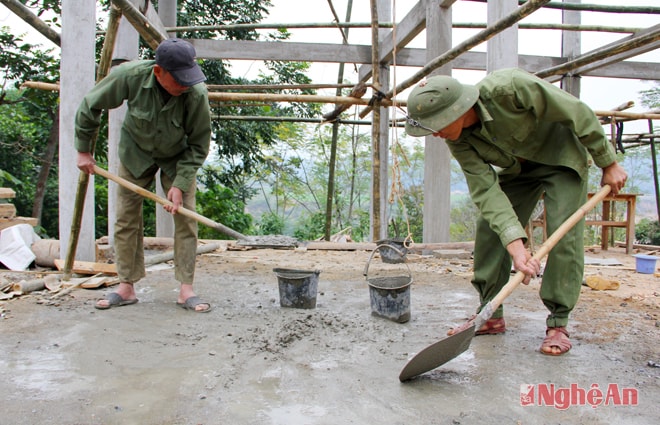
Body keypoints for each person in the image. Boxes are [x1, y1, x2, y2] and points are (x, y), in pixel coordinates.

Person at [405, 68, 628, 355]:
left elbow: (577, 112)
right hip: (518, 169)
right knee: (490, 228)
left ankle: (558, 323)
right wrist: (517, 247)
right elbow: (486, 191)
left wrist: (607, 162)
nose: (434, 133)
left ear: (457, 110)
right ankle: (490, 313)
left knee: (563, 235)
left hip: (562, 159)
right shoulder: (457, 140)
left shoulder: (509, 88)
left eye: (436, 125)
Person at [74, 38, 213, 313]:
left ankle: (186, 290)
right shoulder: (129, 76)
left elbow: (199, 143)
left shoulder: (195, 93)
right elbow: (90, 105)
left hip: (177, 157)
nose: (185, 84)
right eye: (179, 79)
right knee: (126, 218)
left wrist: (180, 184)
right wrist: (83, 151)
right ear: (158, 71)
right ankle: (126, 286)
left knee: (185, 218)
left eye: (189, 77)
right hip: (136, 152)